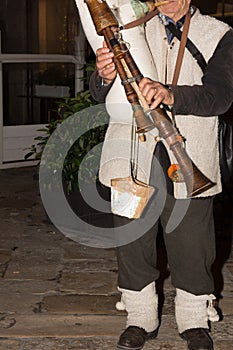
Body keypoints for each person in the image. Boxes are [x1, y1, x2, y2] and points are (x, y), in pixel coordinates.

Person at [78, 0, 233, 349]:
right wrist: (103, 77)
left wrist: (170, 95)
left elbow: (221, 96)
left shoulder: (218, 35)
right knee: (132, 239)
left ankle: (195, 321)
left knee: (193, 241)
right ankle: (139, 319)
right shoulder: (128, 24)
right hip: (130, 152)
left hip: (190, 151)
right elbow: (99, 92)